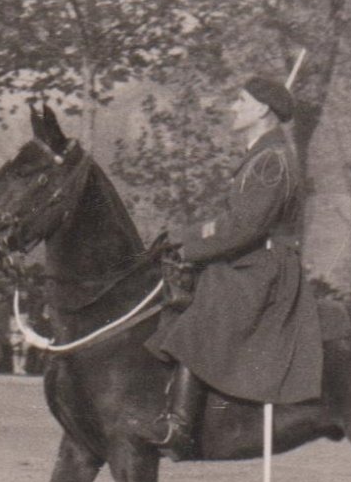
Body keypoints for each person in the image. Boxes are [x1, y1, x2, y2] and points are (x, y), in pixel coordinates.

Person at [135, 75, 323, 459]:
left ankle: (181, 427)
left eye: (240, 100)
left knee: (209, 302)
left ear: (262, 110)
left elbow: (243, 228)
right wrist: (182, 236)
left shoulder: (271, 160)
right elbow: (230, 221)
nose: (232, 107)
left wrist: (187, 250)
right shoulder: (261, 155)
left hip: (265, 265)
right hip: (252, 257)